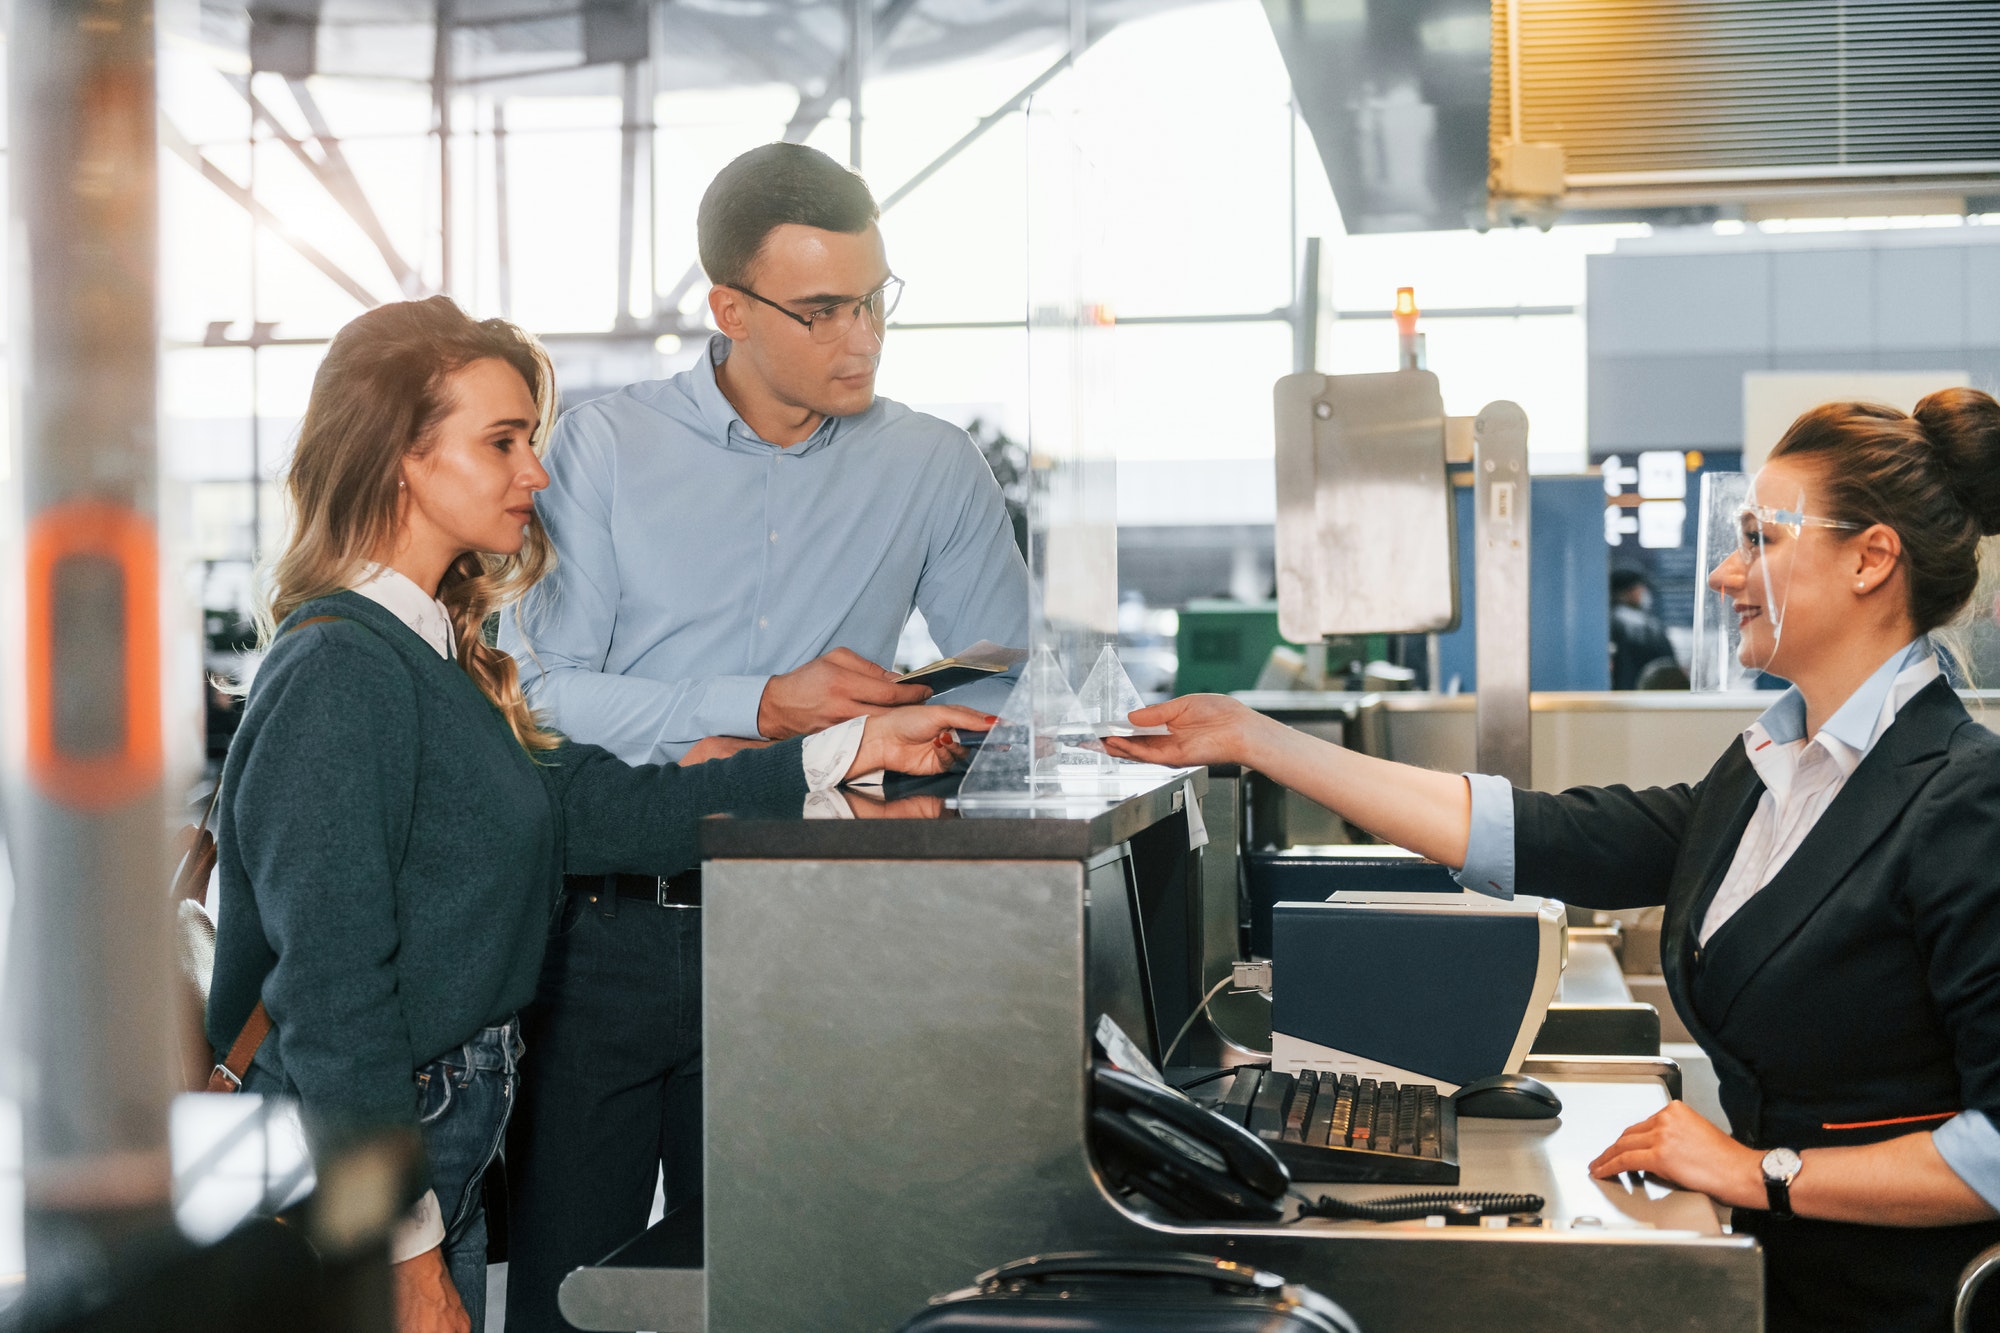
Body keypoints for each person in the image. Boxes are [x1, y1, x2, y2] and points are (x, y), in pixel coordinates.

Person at [1108, 391, 2000, 1332]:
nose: (1726, 575)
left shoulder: (1963, 796)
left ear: (1871, 558)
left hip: (1894, 1302)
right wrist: (1263, 743)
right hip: (1781, 1273)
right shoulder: (1771, 770)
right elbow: (1540, 834)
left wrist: (1757, 1170)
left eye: (1760, 541)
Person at [204, 296, 990, 1333]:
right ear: (399, 457)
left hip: (434, 1126)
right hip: (375, 1142)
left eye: (530, 436)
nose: (536, 471)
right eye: (501, 441)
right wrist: (400, 1249)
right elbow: (333, 993)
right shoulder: (342, 670)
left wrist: (839, 749)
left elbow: (587, 805)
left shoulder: (425, 652)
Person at [497, 140, 1030, 1332]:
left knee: (777, 1292)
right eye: (823, 309)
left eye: (875, 299)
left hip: (813, 932)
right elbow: (536, 694)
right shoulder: (601, 450)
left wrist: (914, 739)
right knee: (568, 1298)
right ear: (728, 308)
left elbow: (1001, 690)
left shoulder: (932, 467)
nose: (862, 338)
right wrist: (762, 705)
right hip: (605, 927)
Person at [1609, 567, 1678, 689]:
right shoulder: (1649, 628)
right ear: (1625, 592)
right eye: (1639, 588)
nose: (1644, 592)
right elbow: (1668, 669)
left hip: (1616, 699)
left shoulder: (1607, 623)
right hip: (1648, 699)